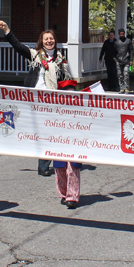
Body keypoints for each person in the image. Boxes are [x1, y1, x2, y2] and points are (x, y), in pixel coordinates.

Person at [0, 20, 71, 177]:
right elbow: (18, 46)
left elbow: (66, 81)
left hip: (53, 100)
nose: (49, 41)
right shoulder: (35, 56)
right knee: (36, 131)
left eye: (51, 39)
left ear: (55, 41)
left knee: (50, 131)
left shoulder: (61, 60)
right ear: (42, 42)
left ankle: (44, 165)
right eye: (46, 39)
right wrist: (7, 31)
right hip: (34, 99)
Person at [54, 80, 83, 208]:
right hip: (59, 141)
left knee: (73, 169)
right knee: (60, 169)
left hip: (75, 141)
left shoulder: (80, 107)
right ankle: (64, 194)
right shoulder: (55, 108)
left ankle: (72, 196)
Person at [114, 28, 134, 94]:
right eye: (121, 34)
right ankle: (121, 88)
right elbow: (113, 52)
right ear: (119, 34)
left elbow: (131, 51)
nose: (122, 35)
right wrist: (115, 60)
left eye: (123, 33)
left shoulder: (128, 41)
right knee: (120, 75)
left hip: (126, 60)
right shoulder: (116, 42)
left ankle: (127, 88)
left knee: (126, 74)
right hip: (119, 61)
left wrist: (131, 60)